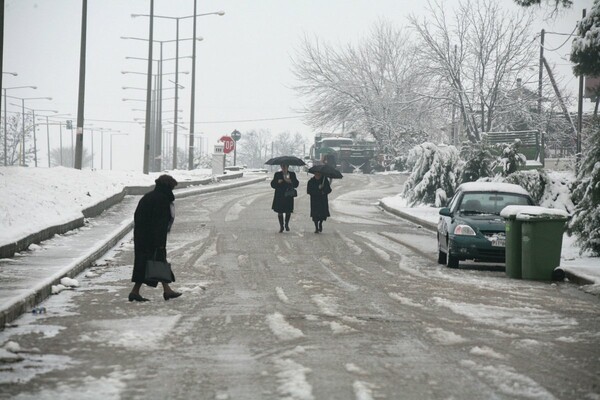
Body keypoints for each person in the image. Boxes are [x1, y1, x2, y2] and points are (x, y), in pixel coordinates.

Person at [129, 174, 182, 302]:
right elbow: (160, 223)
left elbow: (137, 216)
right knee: (154, 263)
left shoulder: (148, 197)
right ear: (168, 186)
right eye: (172, 187)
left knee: (148, 264)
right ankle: (164, 290)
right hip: (152, 239)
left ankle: (163, 290)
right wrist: (159, 243)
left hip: (142, 236)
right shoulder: (161, 200)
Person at [270, 164, 299, 232]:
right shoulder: (277, 174)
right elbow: (273, 184)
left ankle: (286, 224)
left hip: (288, 195)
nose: (284, 168)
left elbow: (296, 184)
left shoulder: (292, 174)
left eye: (285, 167)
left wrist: (290, 181)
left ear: (288, 167)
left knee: (288, 211)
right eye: (282, 166)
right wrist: (277, 182)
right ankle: (281, 226)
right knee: (280, 211)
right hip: (279, 195)